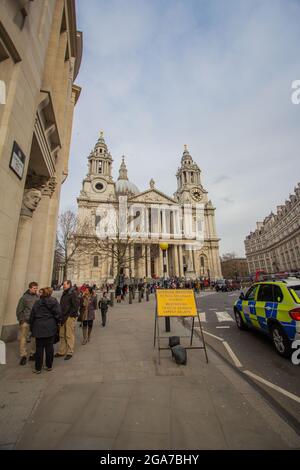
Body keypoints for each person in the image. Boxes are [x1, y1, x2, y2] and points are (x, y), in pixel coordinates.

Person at [30, 287, 61, 374]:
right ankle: (49, 366)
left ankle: (38, 368)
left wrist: (32, 328)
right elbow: (58, 314)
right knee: (49, 347)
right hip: (50, 327)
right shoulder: (54, 301)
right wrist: (57, 322)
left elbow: (32, 316)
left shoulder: (37, 302)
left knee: (39, 348)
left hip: (39, 327)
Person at [16, 281, 39, 366]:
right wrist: (22, 320)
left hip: (35, 322)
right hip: (25, 322)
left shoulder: (37, 297)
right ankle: (23, 356)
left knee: (34, 338)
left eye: (36, 288)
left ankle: (32, 354)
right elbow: (19, 310)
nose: (36, 290)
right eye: (34, 288)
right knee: (23, 339)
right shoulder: (24, 298)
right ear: (30, 288)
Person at [56, 280, 79, 360]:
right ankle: (62, 351)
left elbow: (76, 306)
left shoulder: (72, 293)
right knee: (62, 334)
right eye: (63, 284)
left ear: (69, 285)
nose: (63, 286)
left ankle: (70, 351)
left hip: (69, 317)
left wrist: (71, 316)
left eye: (65, 284)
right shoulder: (65, 292)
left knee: (69, 335)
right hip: (63, 316)